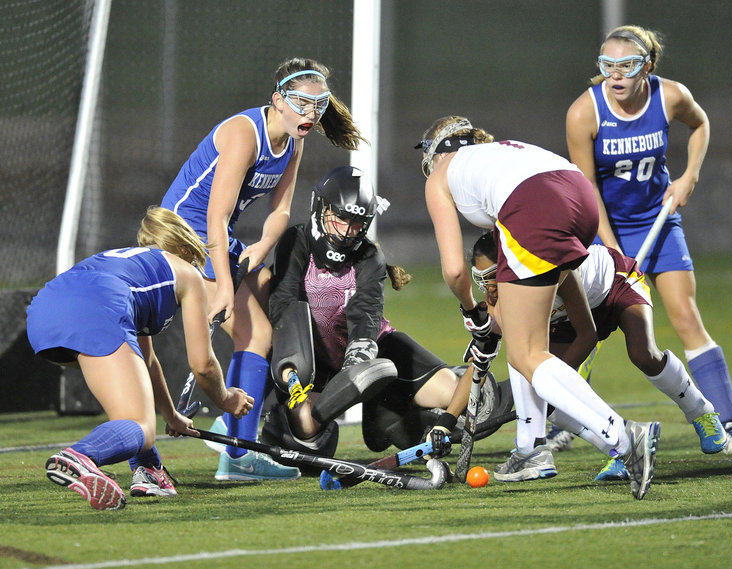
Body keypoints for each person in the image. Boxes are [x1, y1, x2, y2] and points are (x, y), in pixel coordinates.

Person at [418, 115, 661, 500]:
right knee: (523, 345)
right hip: (580, 198)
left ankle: (622, 437)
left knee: (527, 352)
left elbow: (453, 271)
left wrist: (472, 312)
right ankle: (531, 448)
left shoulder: (440, 178)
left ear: (436, 153)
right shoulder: (498, 155)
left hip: (533, 206)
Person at [161, 57, 365, 480]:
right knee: (256, 332)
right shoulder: (243, 133)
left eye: (320, 105)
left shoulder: (293, 141)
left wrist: (263, 245)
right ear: (278, 100)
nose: (311, 114)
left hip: (218, 236)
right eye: (302, 104)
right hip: (182, 236)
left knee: (275, 295)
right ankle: (237, 454)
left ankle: (235, 429)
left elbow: (282, 210)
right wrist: (220, 288)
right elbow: (215, 216)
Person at [566, 25, 732, 454]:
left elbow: (700, 124)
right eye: (607, 65)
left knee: (685, 316)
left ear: (646, 67)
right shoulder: (584, 113)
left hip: (658, 220)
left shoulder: (669, 96)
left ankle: (728, 424)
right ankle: (568, 420)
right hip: (603, 228)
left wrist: (690, 176)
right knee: (588, 328)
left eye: (626, 66)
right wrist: (611, 251)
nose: (616, 75)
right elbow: (586, 189)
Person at [27, 207, 255, 511]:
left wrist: (171, 415)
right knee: (140, 425)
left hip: (42, 316)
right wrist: (226, 399)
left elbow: (146, 362)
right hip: (95, 312)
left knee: (130, 407)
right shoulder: (186, 273)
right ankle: (80, 456)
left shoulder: (131, 264)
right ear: (188, 248)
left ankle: (148, 472)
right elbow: (203, 365)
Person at [258, 165, 483, 457]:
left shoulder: (369, 255)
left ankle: (398, 409)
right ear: (321, 208)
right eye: (341, 217)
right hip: (310, 360)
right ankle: (392, 413)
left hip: (371, 354)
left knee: (456, 396)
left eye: (357, 222)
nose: (348, 230)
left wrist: (359, 374)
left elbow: (365, 317)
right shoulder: (296, 240)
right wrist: (292, 368)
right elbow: (284, 303)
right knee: (306, 430)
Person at [471, 232, 727, 481]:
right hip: (567, 319)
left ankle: (701, 411)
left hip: (615, 285)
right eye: (482, 279)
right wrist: (447, 421)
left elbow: (588, 336)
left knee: (643, 354)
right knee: (547, 398)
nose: (489, 287)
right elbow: (479, 364)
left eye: (493, 276)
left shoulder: (551, 270)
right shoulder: (499, 302)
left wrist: (552, 383)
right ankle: (621, 450)